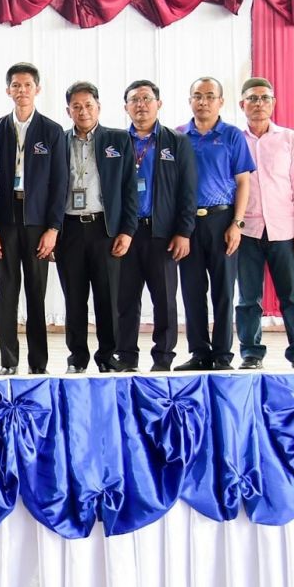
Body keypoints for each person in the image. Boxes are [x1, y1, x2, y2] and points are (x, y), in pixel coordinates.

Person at [0, 62, 68, 375]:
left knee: (36, 294)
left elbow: (60, 183)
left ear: (37, 89)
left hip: (37, 223)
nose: (21, 90)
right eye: (15, 85)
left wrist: (53, 228)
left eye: (27, 85)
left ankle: (38, 363)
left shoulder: (52, 131)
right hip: (5, 221)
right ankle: (8, 361)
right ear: (7, 90)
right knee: (7, 292)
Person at [114, 79, 197, 372]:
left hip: (161, 233)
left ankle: (163, 358)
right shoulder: (116, 142)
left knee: (164, 300)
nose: (141, 105)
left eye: (146, 99)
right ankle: (126, 357)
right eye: (134, 100)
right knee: (125, 299)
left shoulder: (177, 142)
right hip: (125, 233)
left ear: (158, 104)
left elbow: (188, 191)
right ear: (126, 107)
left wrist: (184, 232)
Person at [55, 81, 136, 374]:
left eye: (88, 105)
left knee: (108, 297)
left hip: (105, 229)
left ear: (98, 107)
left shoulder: (118, 139)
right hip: (69, 230)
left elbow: (129, 188)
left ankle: (108, 356)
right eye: (76, 106)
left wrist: (127, 231)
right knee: (74, 299)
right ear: (68, 111)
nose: (83, 111)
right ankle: (77, 358)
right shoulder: (59, 140)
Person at [175, 77, 255, 371]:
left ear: (221, 101)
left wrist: (237, 223)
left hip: (222, 220)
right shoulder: (178, 136)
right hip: (188, 224)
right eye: (198, 96)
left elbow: (243, 182)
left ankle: (222, 354)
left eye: (210, 96)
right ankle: (199, 352)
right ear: (190, 101)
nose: (203, 101)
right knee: (192, 291)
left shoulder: (232, 136)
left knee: (224, 291)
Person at [234, 78, 294, 370]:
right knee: (248, 298)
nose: (259, 104)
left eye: (265, 98)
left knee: (292, 297)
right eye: (253, 99)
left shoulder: (289, 139)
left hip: (285, 230)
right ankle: (251, 353)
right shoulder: (234, 138)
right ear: (242, 104)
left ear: (273, 103)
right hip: (247, 231)